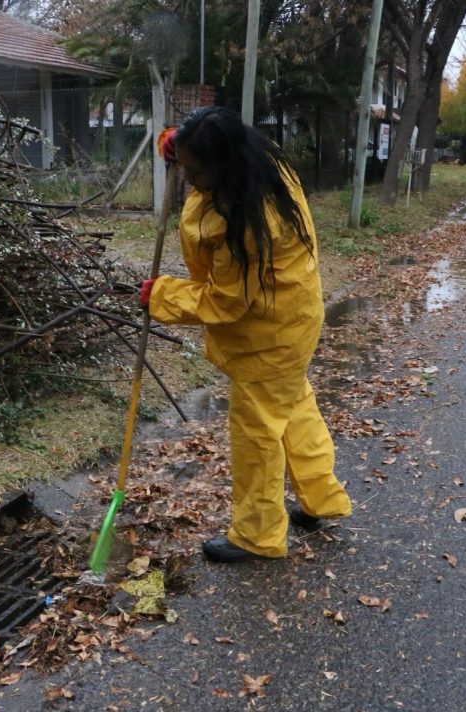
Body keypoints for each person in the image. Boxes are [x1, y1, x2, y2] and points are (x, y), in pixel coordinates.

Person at [142, 107, 352, 563]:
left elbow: (226, 301)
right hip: (294, 316)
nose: (188, 177)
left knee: (257, 434)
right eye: (184, 165)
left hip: (267, 336)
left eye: (195, 170)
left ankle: (258, 536)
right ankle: (321, 499)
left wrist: (160, 296)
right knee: (294, 409)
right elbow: (207, 144)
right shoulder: (259, 161)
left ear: (223, 164)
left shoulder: (246, 221)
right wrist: (179, 143)